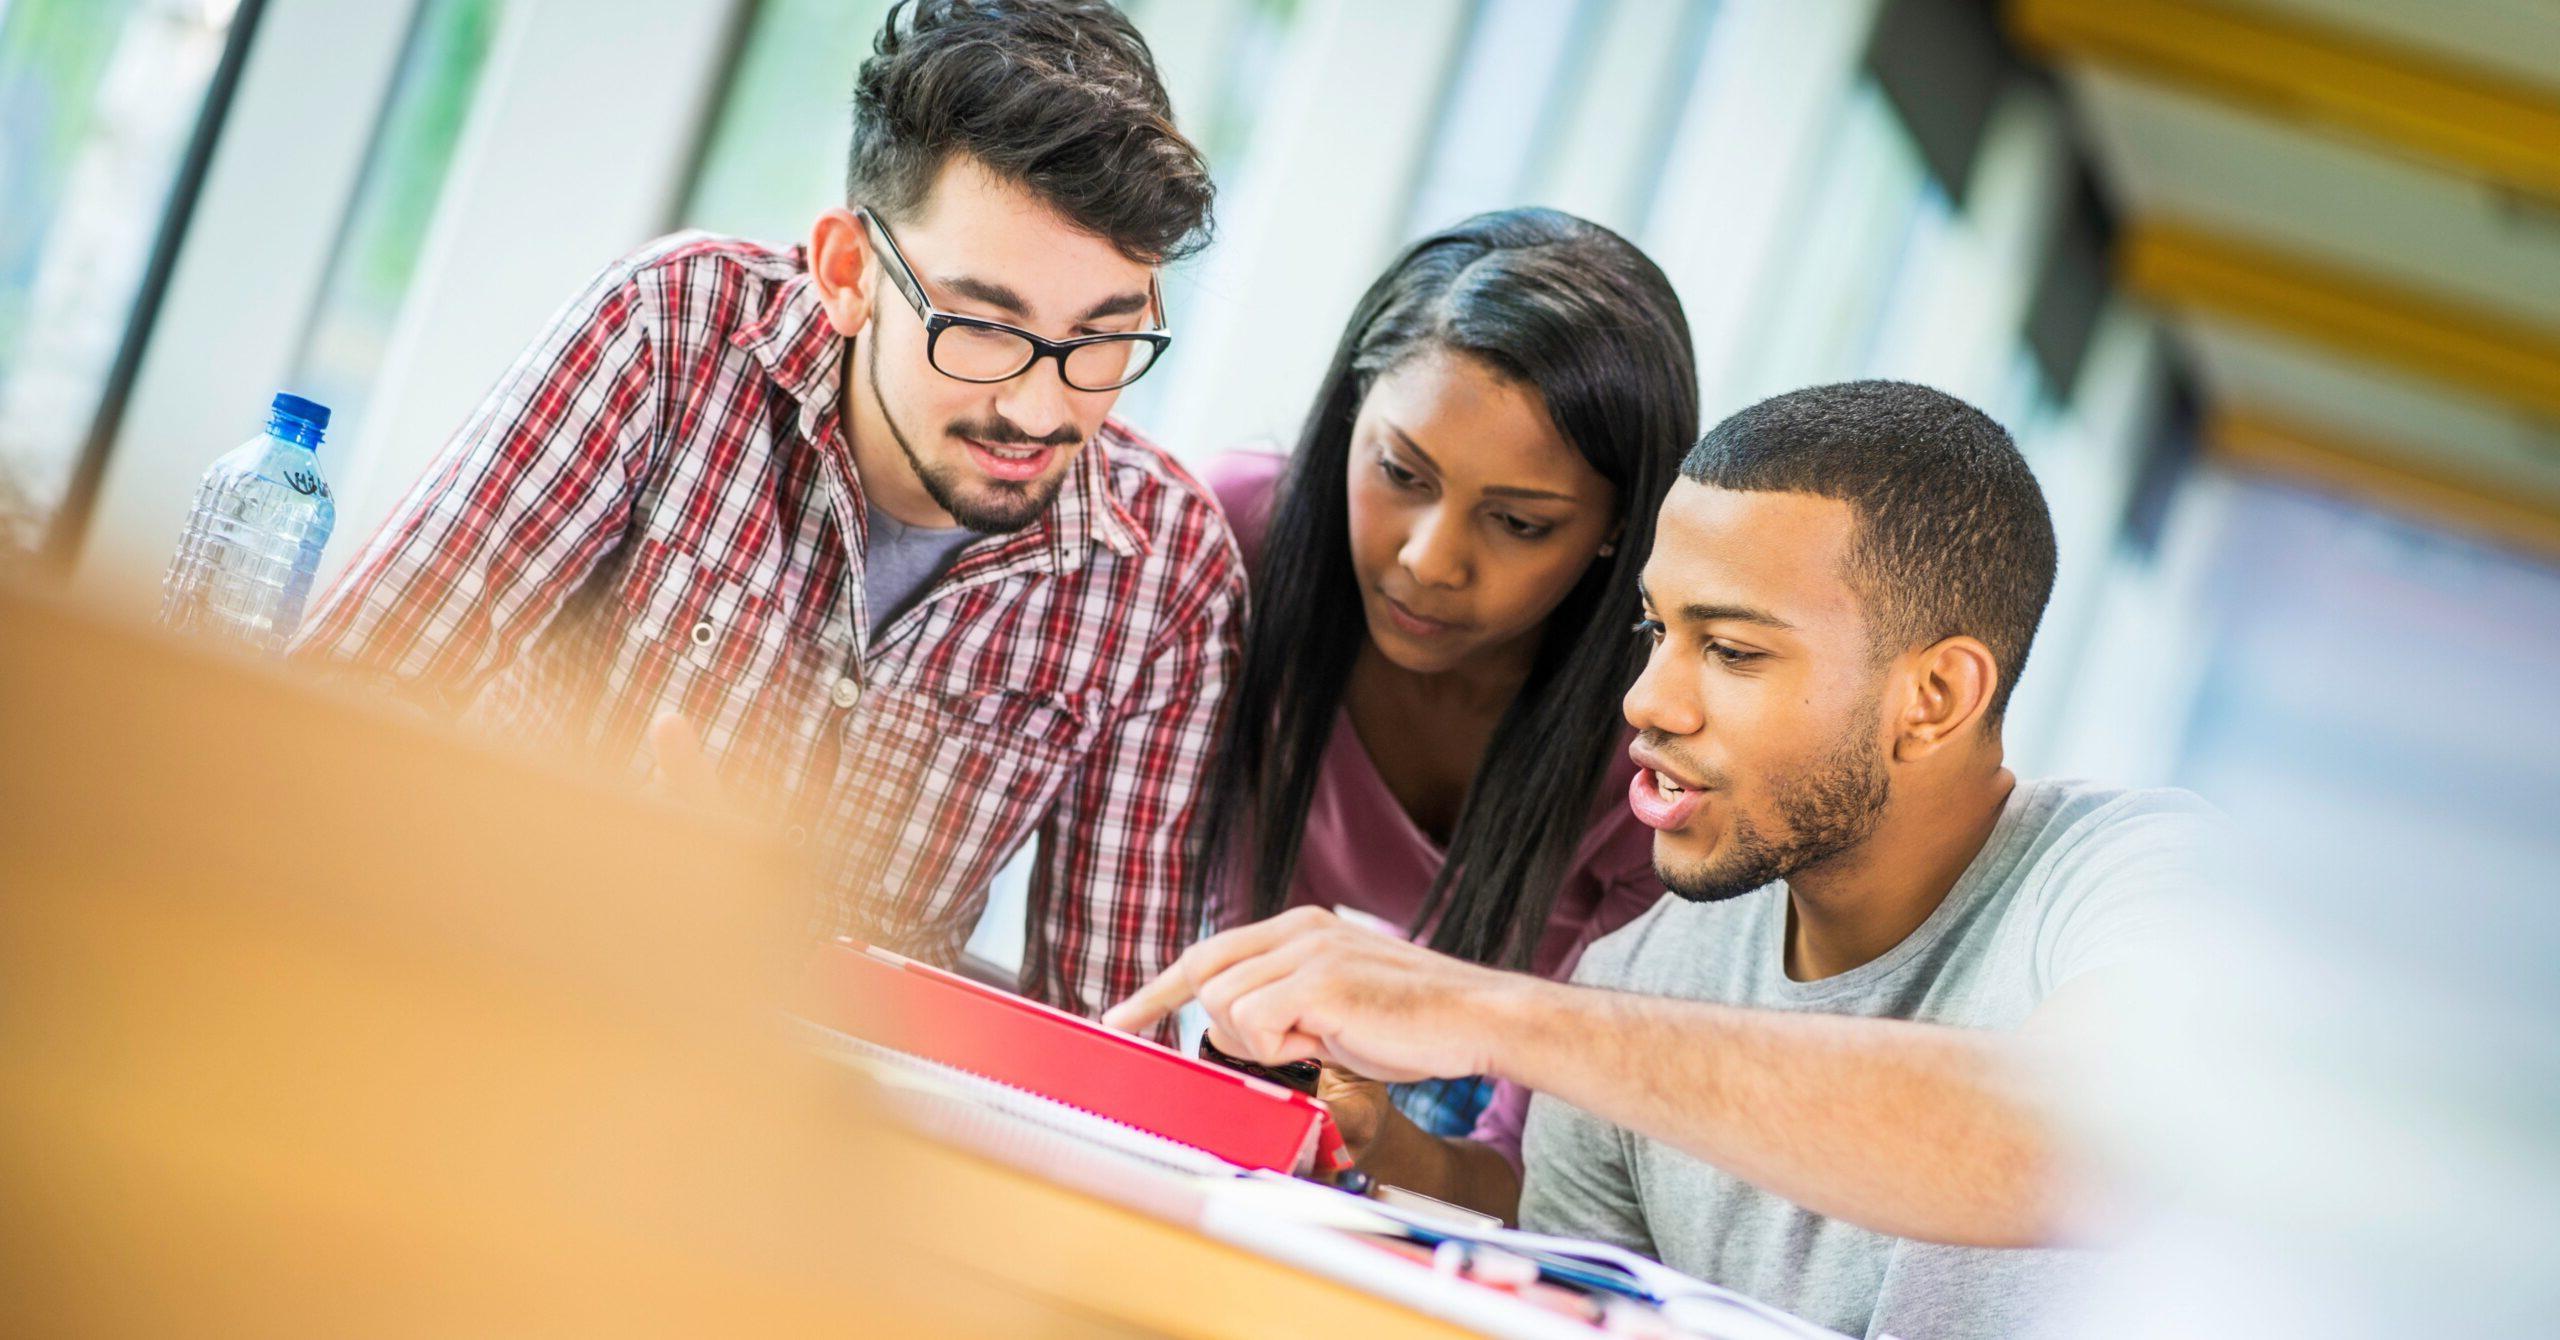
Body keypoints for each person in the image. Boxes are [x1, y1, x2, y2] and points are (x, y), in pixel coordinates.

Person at [1110, 381, 2228, 1338]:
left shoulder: (2134, 874)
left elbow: (2071, 1133)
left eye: (1732, 649)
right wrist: (1378, 1141)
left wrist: (1492, 1012)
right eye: (1657, 631)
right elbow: (1557, 1273)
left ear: (1933, 696)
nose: (1646, 700)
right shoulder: (1644, 968)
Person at [293, 0, 1240, 1024]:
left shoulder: (1168, 574)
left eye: (1102, 338)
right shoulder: (672, 332)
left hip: (800, 1138)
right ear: (848, 272)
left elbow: (1109, 1046)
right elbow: (336, 725)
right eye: (980, 327)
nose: (1042, 408)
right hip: (477, 1007)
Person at [1192, 208, 1695, 1199]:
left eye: (1517, 521)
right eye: (1398, 471)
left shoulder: (1658, 749)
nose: (1428, 559)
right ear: (1350, 416)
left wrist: (1374, 1134)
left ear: (1616, 531)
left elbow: (1540, 1184)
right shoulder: (1230, 543)